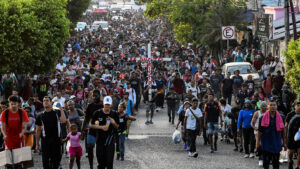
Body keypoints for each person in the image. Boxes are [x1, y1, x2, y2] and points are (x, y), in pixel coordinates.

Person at [35, 96, 67, 169]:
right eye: (44, 101)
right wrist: (37, 144)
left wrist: (61, 108)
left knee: (56, 162)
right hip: (45, 142)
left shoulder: (57, 113)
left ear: (51, 102)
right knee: (45, 162)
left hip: (56, 141)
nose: (45, 102)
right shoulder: (40, 115)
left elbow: (63, 120)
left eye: (47, 100)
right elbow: (38, 130)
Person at [90, 96, 119, 169]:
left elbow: (117, 126)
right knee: (101, 163)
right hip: (100, 141)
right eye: (106, 104)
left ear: (111, 105)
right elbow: (91, 125)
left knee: (109, 163)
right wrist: (101, 127)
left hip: (110, 141)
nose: (107, 106)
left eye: (108, 105)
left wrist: (113, 122)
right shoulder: (97, 113)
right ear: (103, 104)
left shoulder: (114, 114)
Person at [0, 95, 29, 169]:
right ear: (9, 103)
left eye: (15, 104)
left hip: (20, 139)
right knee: (8, 162)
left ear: (18, 104)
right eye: (11, 104)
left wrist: (22, 133)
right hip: (8, 139)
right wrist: (4, 135)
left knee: (21, 162)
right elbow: (2, 127)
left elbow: (24, 125)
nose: (13, 106)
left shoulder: (22, 112)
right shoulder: (5, 113)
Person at [256, 99, 286, 169]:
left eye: (274, 105)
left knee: (276, 164)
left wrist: (284, 142)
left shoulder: (281, 117)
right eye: (271, 105)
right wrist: (257, 142)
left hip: (276, 143)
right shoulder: (262, 118)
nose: (273, 106)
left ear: (276, 106)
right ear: (268, 106)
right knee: (266, 164)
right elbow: (260, 131)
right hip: (266, 143)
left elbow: (283, 131)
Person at [81, 90, 103, 169]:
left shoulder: (103, 105)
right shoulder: (90, 106)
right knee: (90, 147)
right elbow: (86, 119)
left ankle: (100, 164)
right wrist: (82, 131)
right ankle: (91, 166)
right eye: (93, 96)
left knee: (100, 150)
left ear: (99, 95)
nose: (94, 97)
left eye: (96, 95)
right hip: (92, 129)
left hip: (101, 130)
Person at [251, 101, 268, 167]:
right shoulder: (257, 113)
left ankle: (266, 158)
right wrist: (254, 128)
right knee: (260, 145)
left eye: (265, 106)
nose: (264, 107)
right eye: (263, 106)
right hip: (258, 131)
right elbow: (252, 122)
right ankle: (260, 159)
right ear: (260, 106)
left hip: (266, 131)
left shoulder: (268, 113)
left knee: (266, 145)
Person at [286, 100, 300, 169]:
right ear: (294, 107)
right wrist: (285, 137)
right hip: (291, 136)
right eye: (298, 106)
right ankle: (290, 161)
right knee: (291, 152)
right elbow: (286, 126)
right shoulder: (290, 114)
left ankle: (297, 166)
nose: (299, 107)